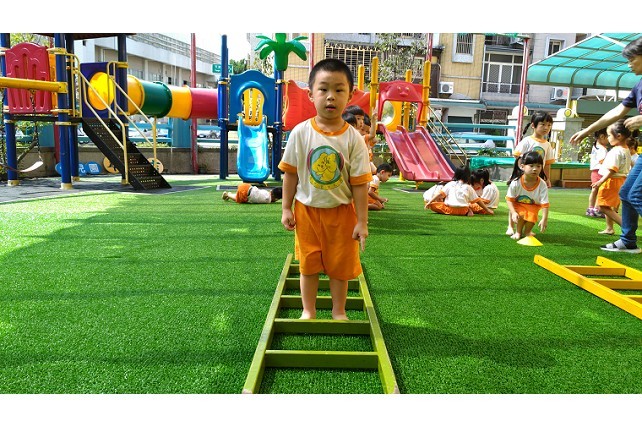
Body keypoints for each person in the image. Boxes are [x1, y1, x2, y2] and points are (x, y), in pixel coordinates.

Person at [279, 58, 372, 320]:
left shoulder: (354, 139)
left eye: (339, 90)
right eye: (323, 89)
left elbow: (360, 184)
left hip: (341, 213)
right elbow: (290, 174)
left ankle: (338, 310)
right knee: (308, 265)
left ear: (350, 95)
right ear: (311, 94)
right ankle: (308, 310)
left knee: (339, 266)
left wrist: (362, 221)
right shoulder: (300, 132)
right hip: (306, 211)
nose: (331, 96)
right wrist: (286, 207)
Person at [568, 37, 642, 253]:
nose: (629, 64)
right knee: (626, 193)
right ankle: (628, 241)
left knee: (635, 195)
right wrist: (587, 130)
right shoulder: (639, 86)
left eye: (632, 59)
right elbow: (616, 112)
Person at [507, 111, 555, 235]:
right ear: (533, 125)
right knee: (515, 200)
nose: (546, 128)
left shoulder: (547, 145)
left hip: (536, 177)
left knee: (532, 201)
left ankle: (527, 228)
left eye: (549, 125)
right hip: (522, 175)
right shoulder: (527, 141)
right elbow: (518, 157)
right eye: (543, 124)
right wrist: (519, 172)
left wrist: (547, 178)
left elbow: (547, 164)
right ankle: (510, 226)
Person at [593, 120, 636, 235]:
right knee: (608, 206)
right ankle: (609, 228)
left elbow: (612, 170)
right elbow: (630, 164)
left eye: (609, 135)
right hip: (621, 180)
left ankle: (625, 225)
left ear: (619, 136)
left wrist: (601, 181)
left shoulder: (616, 151)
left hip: (611, 181)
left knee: (603, 206)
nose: (608, 138)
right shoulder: (626, 150)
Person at [505, 151, 550, 240]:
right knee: (521, 214)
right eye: (531, 166)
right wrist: (513, 212)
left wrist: (544, 219)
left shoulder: (542, 184)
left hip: (533, 205)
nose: (535, 169)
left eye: (538, 166)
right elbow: (509, 199)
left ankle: (527, 231)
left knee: (532, 215)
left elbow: (545, 203)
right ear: (522, 166)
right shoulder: (516, 182)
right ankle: (517, 231)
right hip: (518, 204)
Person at [427, 165, 494, 216]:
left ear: (456, 174)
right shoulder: (468, 187)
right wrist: (487, 210)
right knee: (469, 205)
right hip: (463, 211)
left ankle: (468, 210)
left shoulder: (450, 184)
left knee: (433, 205)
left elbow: (440, 194)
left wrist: (429, 202)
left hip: (450, 209)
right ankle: (468, 211)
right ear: (468, 176)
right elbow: (478, 200)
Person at [586, 129, 609, 218]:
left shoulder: (595, 146)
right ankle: (597, 209)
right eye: (608, 136)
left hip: (594, 171)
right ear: (602, 136)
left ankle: (590, 208)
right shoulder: (602, 149)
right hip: (601, 171)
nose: (609, 139)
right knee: (600, 191)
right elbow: (602, 161)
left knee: (594, 190)